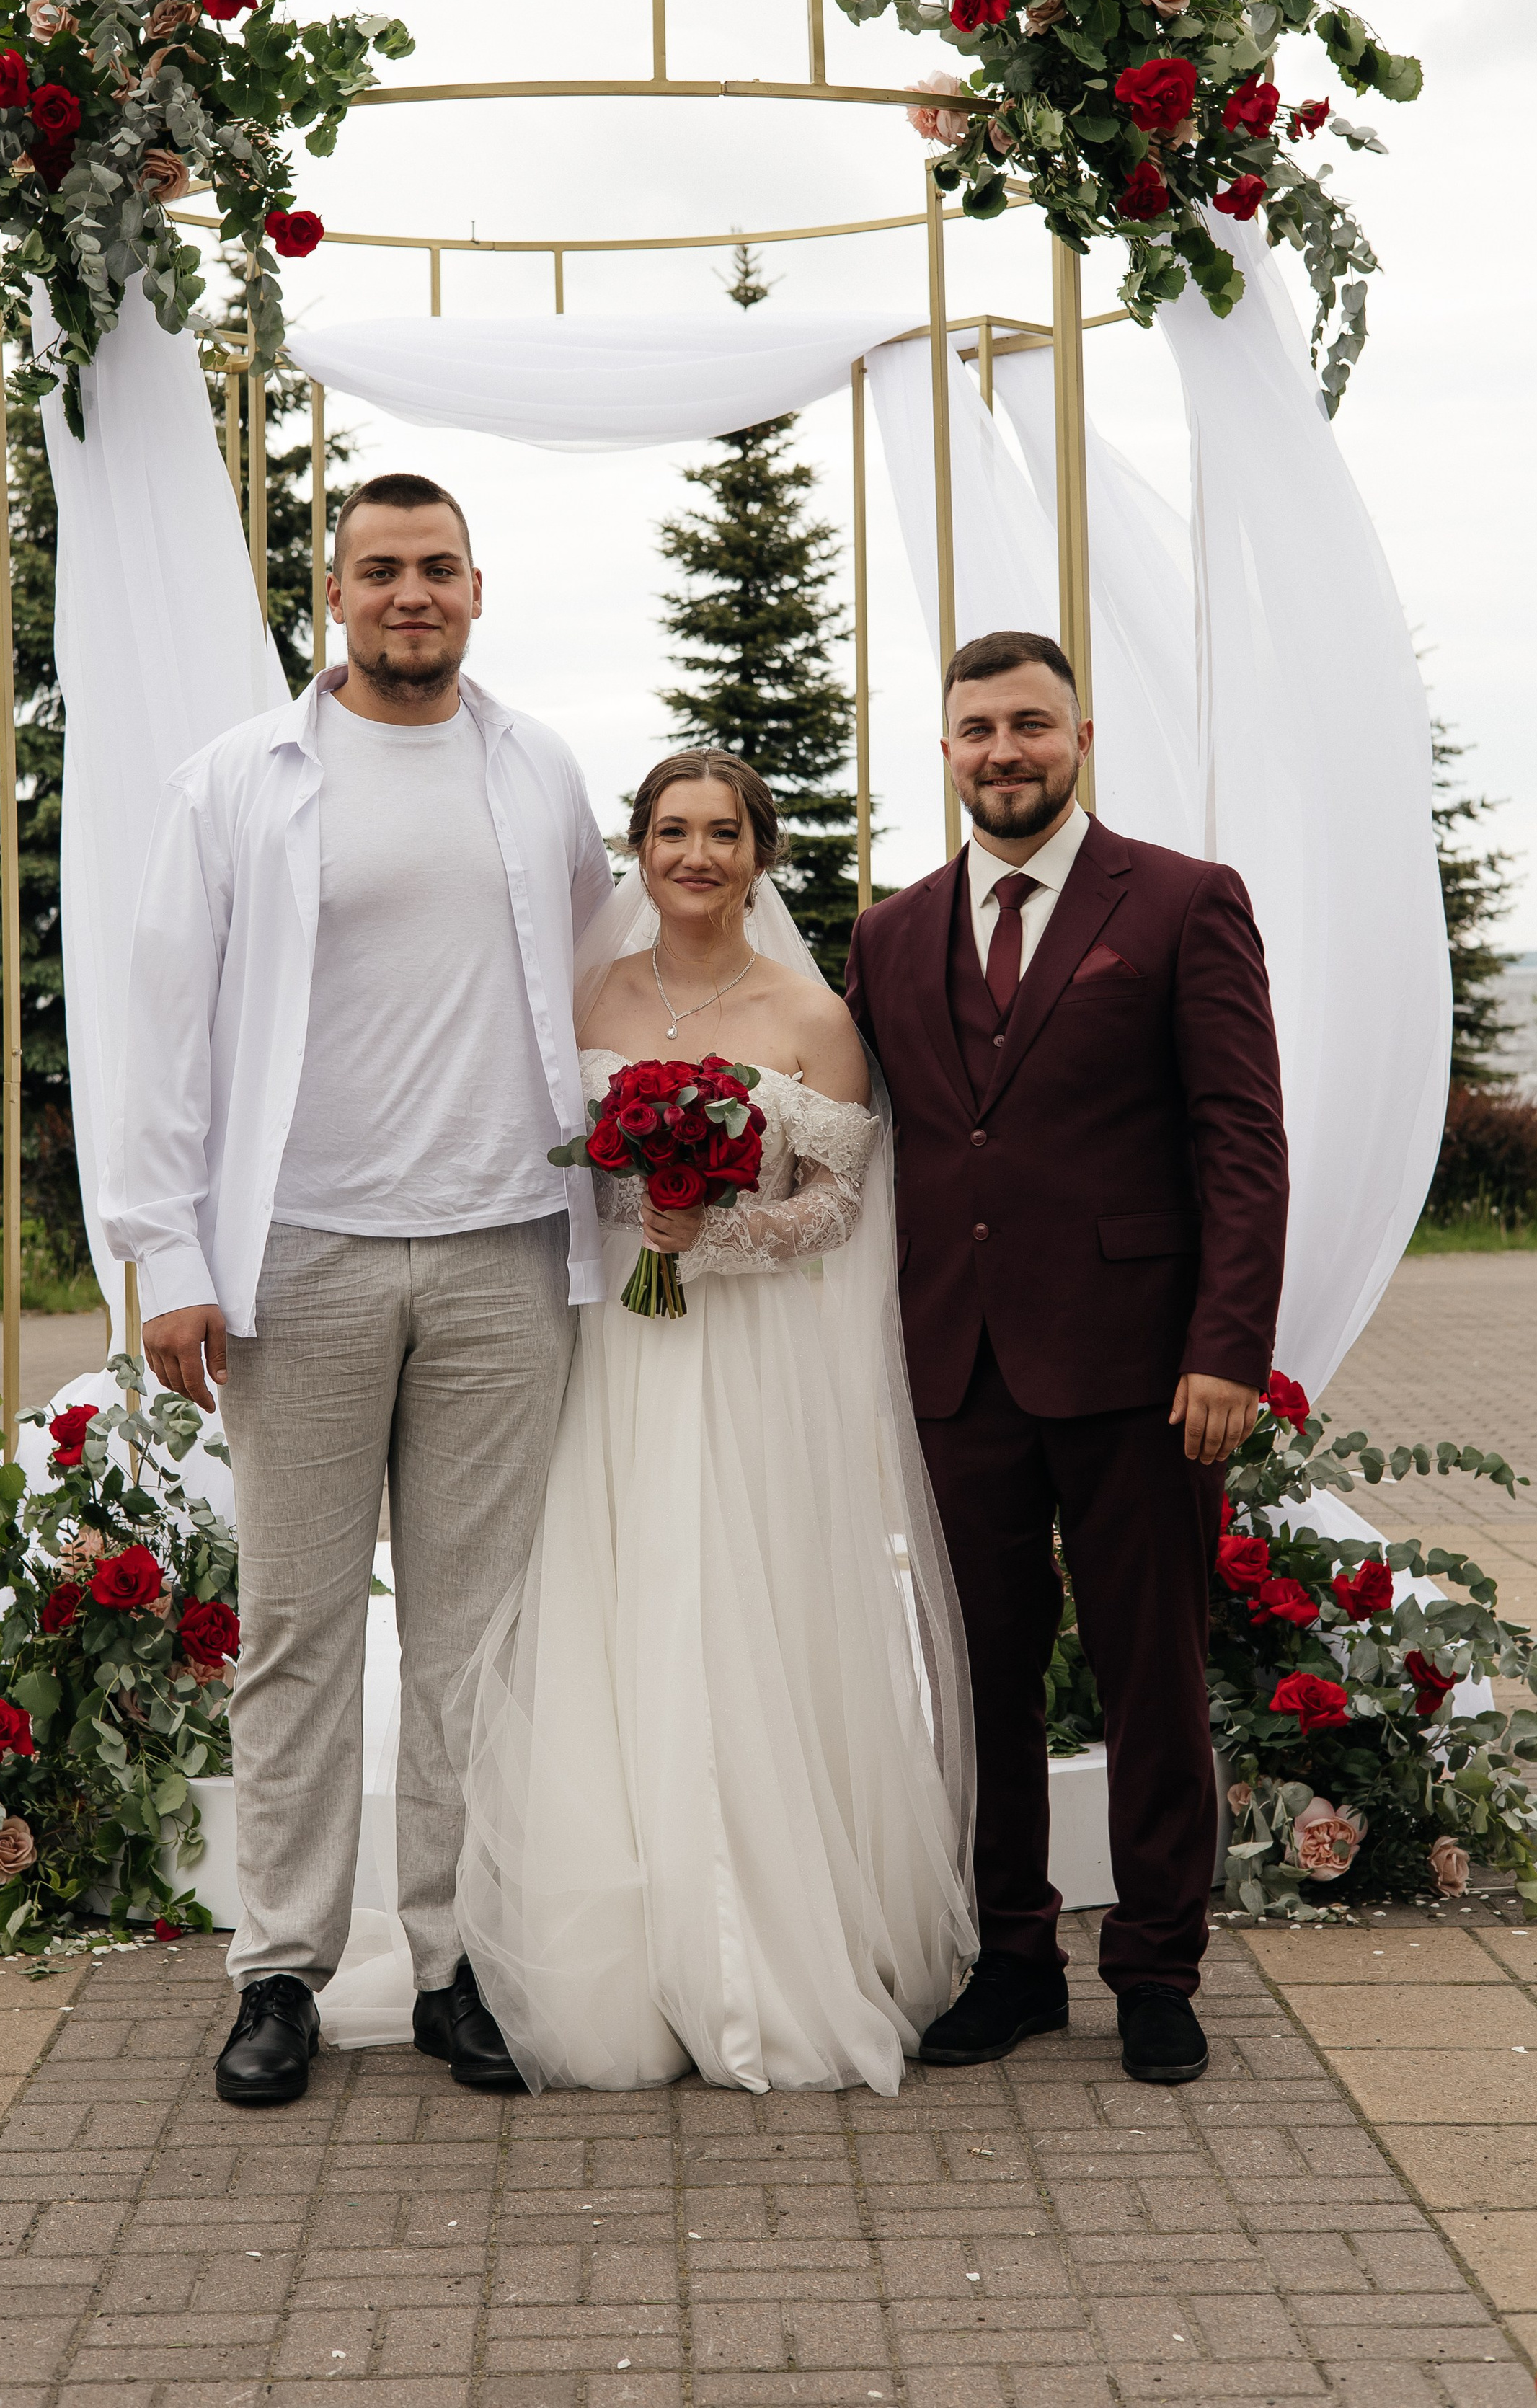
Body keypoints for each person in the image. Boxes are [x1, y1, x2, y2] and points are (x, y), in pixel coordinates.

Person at [103, 472, 614, 2105]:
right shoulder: (238, 781)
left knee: (476, 1639)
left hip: (506, 1249)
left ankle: (459, 1962)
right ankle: (280, 1971)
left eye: (438, 566)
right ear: (333, 593)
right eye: (380, 567)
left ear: (478, 588)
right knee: (297, 1629)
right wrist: (169, 1259)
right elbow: (162, 1028)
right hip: (300, 1255)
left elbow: (598, 981)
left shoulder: (537, 770)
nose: (411, 592)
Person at [451, 751, 978, 2094]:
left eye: (724, 833)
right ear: (637, 849)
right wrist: (639, 1218)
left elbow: (844, 1206)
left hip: (751, 1363)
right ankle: (622, 1962)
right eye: (673, 830)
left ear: (760, 854)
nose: (697, 854)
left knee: (747, 1612)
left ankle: (766, 1948)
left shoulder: (812, 1015)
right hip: (615, 1356)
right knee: (616, 1607)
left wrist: (718, 1233)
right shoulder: (585, 997)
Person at [845, 630, 1289, 2087]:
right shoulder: (890, 934)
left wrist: (1227, 1345)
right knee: (977, 1682)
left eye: (1029, 724)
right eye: (977, 730)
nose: (1004, 752)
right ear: (945, 752)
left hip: (1142, 1369)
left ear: (1078, 737)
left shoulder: (1180, 901)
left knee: (1149, 1674)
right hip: (953, 1367)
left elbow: (1240, 1139)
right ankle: (1012, 1959)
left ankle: (1157, 1968)